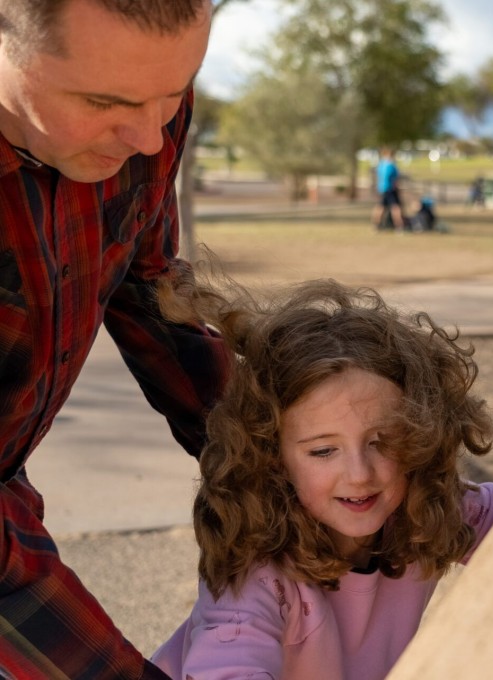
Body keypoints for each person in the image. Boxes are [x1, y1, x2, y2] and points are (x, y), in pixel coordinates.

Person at [0, 1, 230, 678]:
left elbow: (148, 282)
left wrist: (273, 465)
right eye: (104, 100)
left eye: (172, 94)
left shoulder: (145, 111)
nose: (151, 140)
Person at [151, 277, 493, 679]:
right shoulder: (257, 575)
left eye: (383, 442)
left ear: (420, 434)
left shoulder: (423, 509)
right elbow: (228, 663)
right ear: (271, 457)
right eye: (323, 451)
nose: (359, 475)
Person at [372, 146, 404, 231]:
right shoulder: (391, 166)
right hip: (390, 189)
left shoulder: (381, 165)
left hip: (381, 189)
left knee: (381, 206)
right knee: (395, 207)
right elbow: (395, 179)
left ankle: (376, 225)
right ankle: (399, 226)